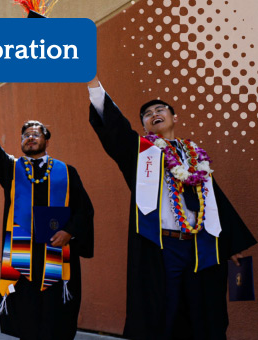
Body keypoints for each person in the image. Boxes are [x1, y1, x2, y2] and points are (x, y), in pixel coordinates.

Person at [86, 76, 256, 339]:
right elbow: (116, 130)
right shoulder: (141, 153)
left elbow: (214, 199)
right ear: (143, 125)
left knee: (204, 311)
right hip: (163, 247)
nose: (154, 114)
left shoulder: (196, 155)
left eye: (160, 109)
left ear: (174, 118)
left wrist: (232, 245)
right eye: (147, 114)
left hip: (202, 244)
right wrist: (94, 86)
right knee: (161, 313)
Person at [0, 85, 94, 340]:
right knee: (28, 322)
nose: (30, 138)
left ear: (46, 138)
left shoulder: (67, 172)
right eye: (25, 136)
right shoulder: (12, 169)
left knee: (57, 321)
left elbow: (84, 210)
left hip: (57, 254)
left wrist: (69, 232)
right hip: (22, 258)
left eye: (35, 134)